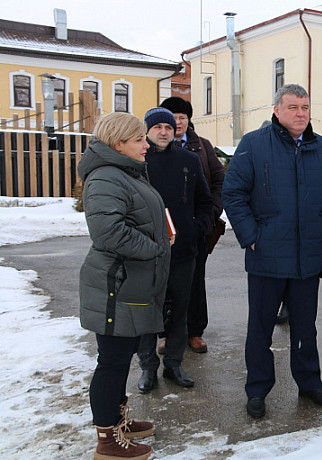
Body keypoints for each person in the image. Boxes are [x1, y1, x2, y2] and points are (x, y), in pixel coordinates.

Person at [222, 83, 322, 419]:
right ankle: (258, 389)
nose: (300, 114)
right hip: (266, 255)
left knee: (305, 327)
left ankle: (310, 384)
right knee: (260, 328)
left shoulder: (321, 148)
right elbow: (233, 194)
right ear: (277, 110)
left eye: (305, 108)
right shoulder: (253, 144)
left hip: (308, 258)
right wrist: (251, 235)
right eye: (293, 107)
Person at [78, 112, 172, 460]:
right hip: (115, 286)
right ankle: (107, 441)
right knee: (112, 362)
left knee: (120, 358)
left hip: (128, 284)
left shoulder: (123, 172)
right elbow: (108, 233)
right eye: (139, 140)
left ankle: (116, 420)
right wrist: (155, 248)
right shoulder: (106, 177)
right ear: (118, 144)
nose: (147, 144)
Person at [136, 108, 213, 393]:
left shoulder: (189, 161)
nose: (164, 132)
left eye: (169, 127)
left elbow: (204, 200)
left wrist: (197, 227)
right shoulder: (137, 161)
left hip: (183, 250)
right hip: (146, 252)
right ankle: (147, 368)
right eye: (158, 128)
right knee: (147, 311)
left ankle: (174, 364)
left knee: (180, 308)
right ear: (148, 131)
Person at [160, 97, 226, 353]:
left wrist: (210, 213)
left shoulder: (203, 146)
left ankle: (195, 331)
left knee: (195, 280)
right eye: (173, 117)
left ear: (189, 120)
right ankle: (166, 333)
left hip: (197, 227)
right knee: (165, 280)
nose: (177, 122)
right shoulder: (156, 145)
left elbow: (219, 180)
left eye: (182, 118)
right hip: (165, 228)